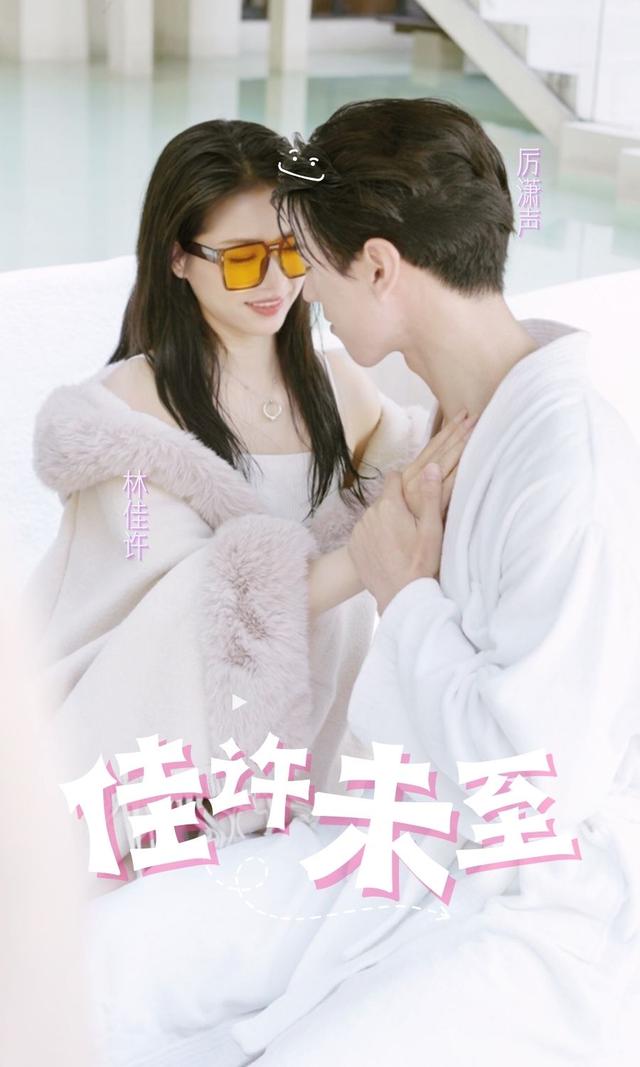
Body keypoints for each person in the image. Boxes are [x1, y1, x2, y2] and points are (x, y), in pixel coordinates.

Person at [23, 116, 473, 902]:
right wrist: (371, 550)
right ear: (178, 258)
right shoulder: (129, 416)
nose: (273, 281)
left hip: (305, 737)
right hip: (144, 728)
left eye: (292, 251)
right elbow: (175, 610)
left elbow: (424, 473)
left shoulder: (341, 389)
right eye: (240, 259)